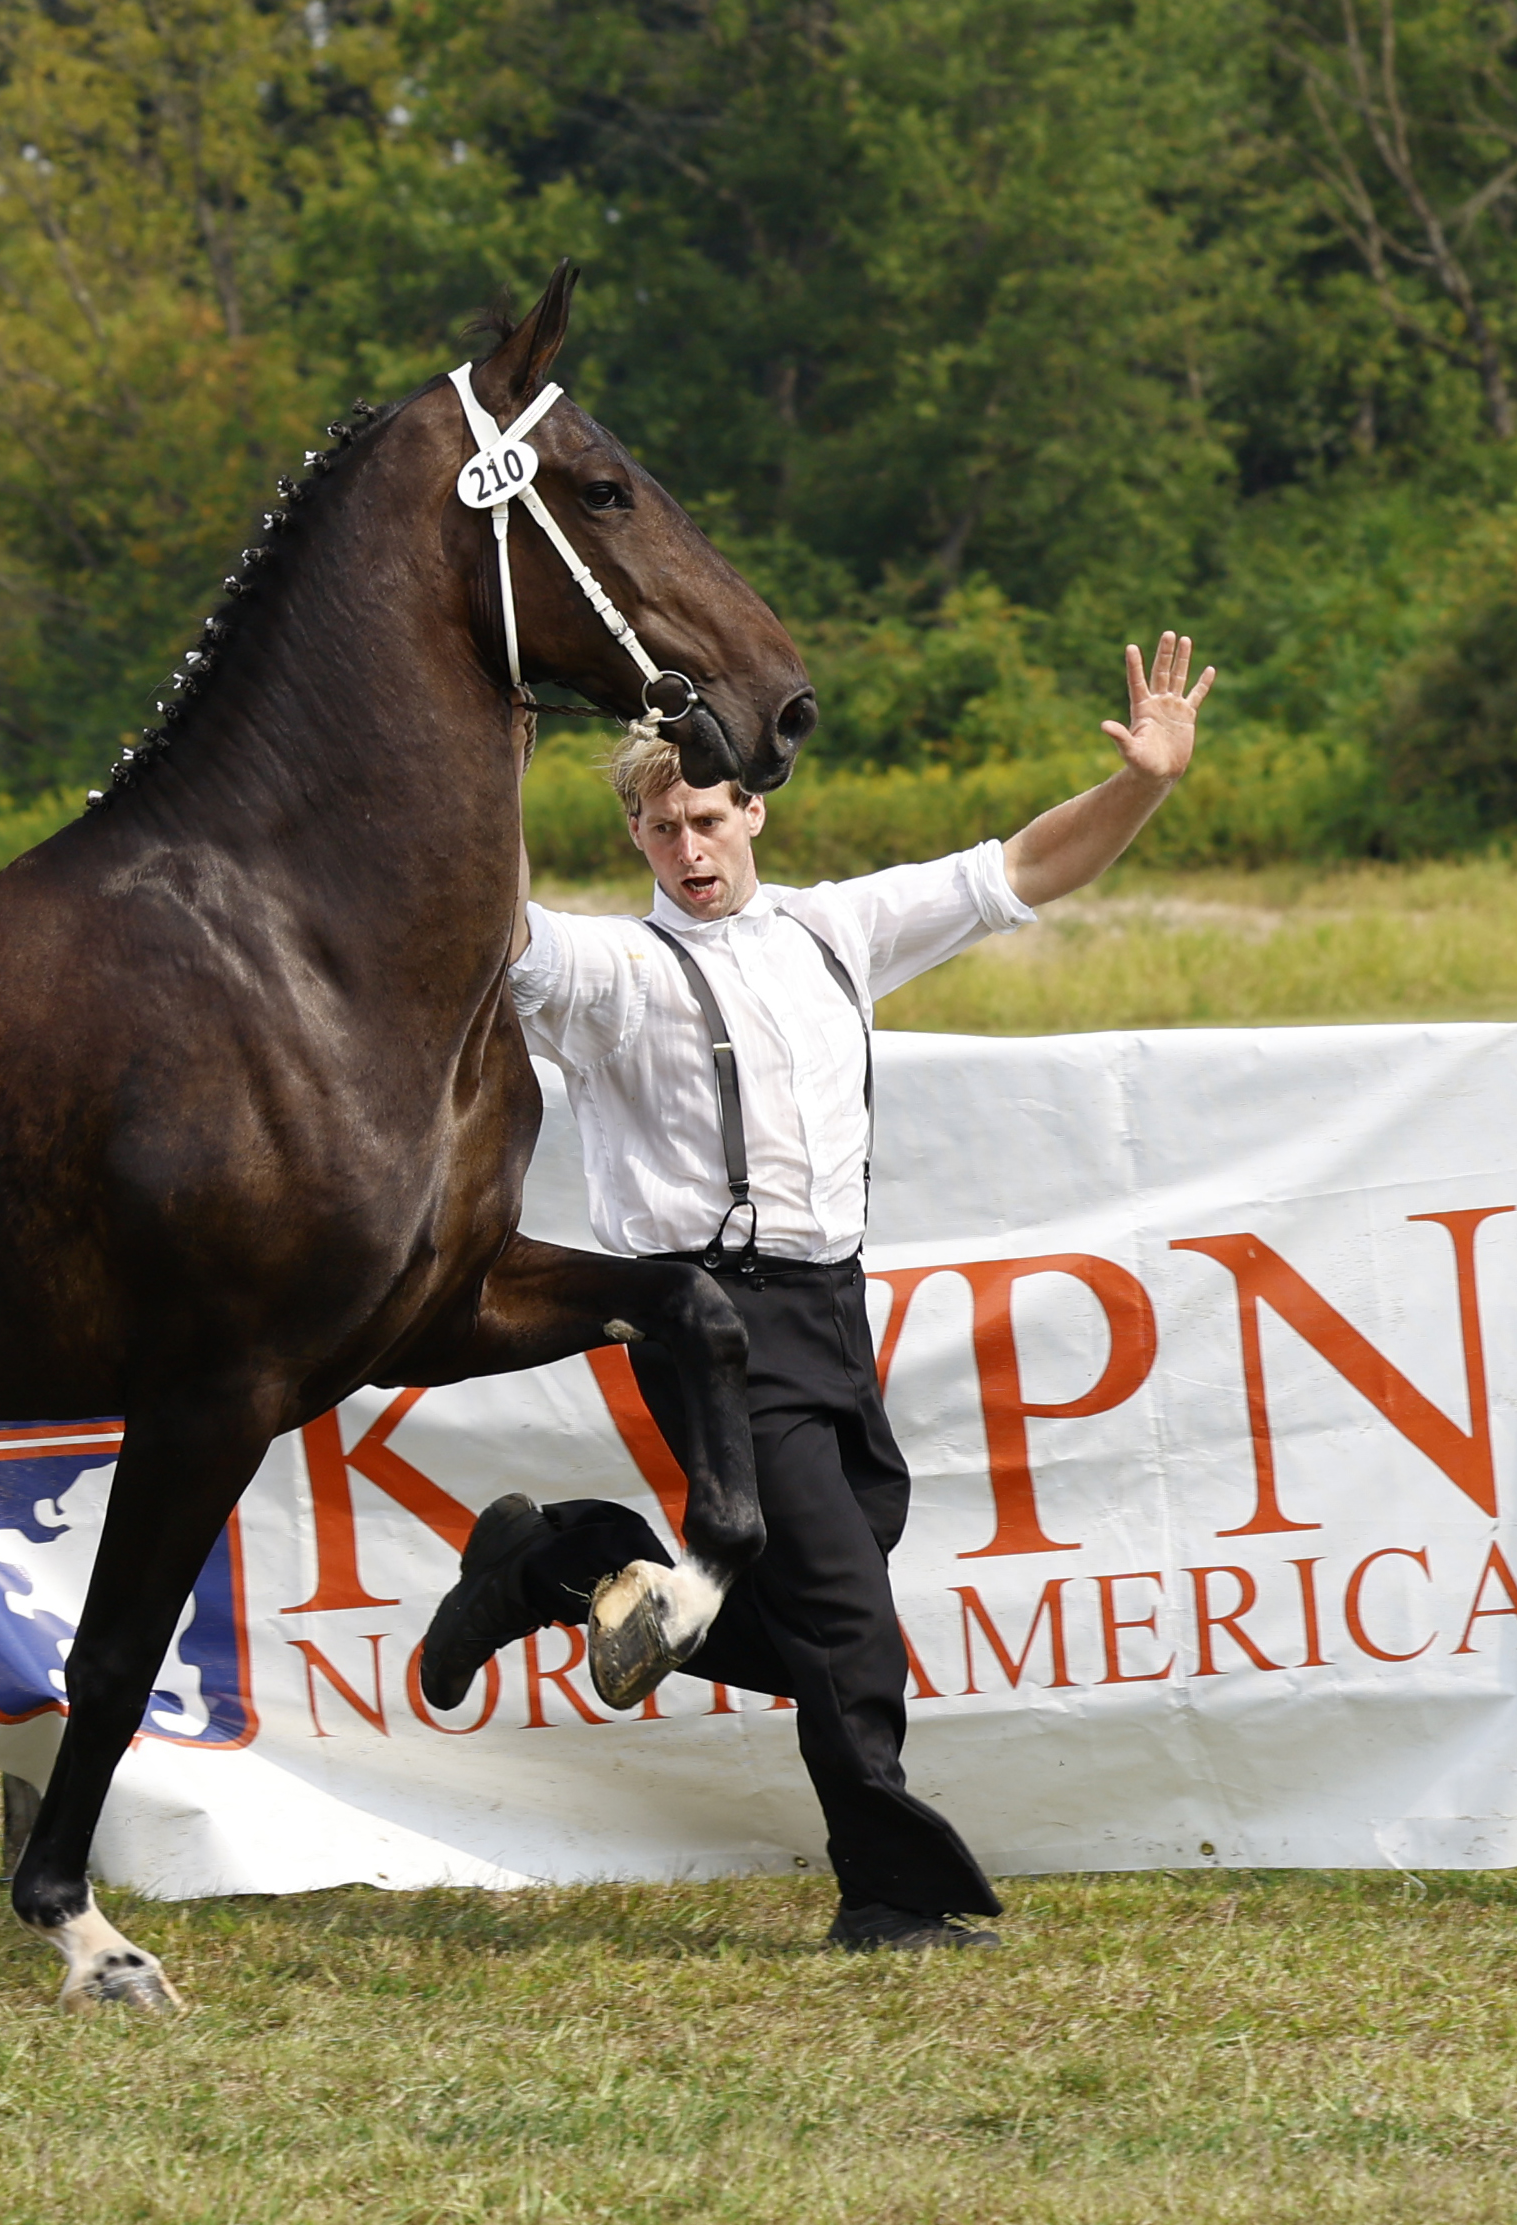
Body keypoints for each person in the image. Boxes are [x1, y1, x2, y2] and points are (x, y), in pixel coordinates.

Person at [422, 631, 1217, 1953]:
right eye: (659, 823)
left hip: (831, 1313)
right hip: (702, 1328)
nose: (688, 847)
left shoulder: (833, 931)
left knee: (811, 1634)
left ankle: (563, 1564)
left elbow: (1021, 871)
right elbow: (496, 926)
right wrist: (491, 752)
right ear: (633, 831)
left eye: (706, 816)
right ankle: (888, 1893)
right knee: (849, 1617)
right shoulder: (608, 975)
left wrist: (1144, 782)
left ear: (752, 807)